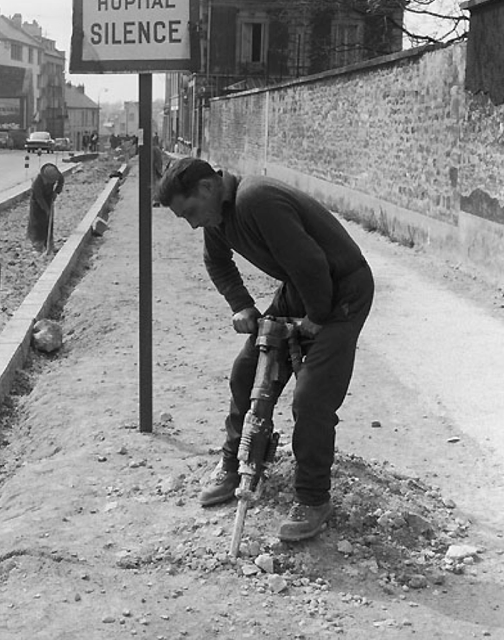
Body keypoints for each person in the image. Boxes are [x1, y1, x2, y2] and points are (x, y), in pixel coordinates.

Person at [156, 158, 374, 541]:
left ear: (208, 188)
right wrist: (242, 305)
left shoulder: (255, 200)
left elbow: (311, 262)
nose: (191, 223)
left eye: (189, 212)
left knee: (311, 397)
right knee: (247, 371)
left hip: (341, 291)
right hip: (303, 286)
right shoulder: (218, 217)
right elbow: (217, 262)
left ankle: (312, 499)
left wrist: (317, 319)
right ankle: (237, 465)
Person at [27, 163, 64, 252]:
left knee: (49, 221)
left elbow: (61, 180)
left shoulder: (56, 175)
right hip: (37, 202)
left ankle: (49, 243)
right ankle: (38, 244)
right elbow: (39, 197)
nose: (49, 183)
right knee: (37, 222)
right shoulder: (37, 183)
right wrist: (46, 209)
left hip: (48, 197)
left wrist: (56, 192)